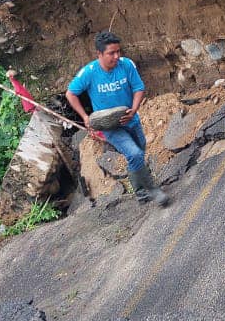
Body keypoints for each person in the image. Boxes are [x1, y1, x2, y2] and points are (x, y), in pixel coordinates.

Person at [65, 31, 168, 206]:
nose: (117, 56)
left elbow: (138, 88)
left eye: (118, 51)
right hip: (110, 126)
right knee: (134, 153)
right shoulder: (89, 73)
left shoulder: (126, 65)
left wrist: (134, 110)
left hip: (131, 119)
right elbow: (70, 93)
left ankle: (140, 193)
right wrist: (84, 116)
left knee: (138, 154)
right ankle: (153, 190)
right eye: (111, 53)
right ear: (99, 54)